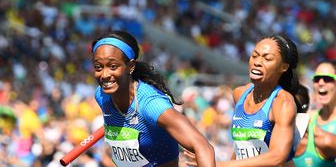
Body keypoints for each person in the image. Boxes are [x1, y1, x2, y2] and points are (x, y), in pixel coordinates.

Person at [91, 31, 215, 167]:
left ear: (130, 66)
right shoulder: (102, 95)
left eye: (113, 66)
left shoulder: (151, 104)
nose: (104, 75)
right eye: (98, 67)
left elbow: (203, 147)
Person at [186, 35, 300, 165]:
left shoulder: (283, 103)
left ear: (283, 67)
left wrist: (219, 165)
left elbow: (277, 156)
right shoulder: (239, 94)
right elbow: (241, 148)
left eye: (267, 58)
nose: (257, 62)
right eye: (254, 55)